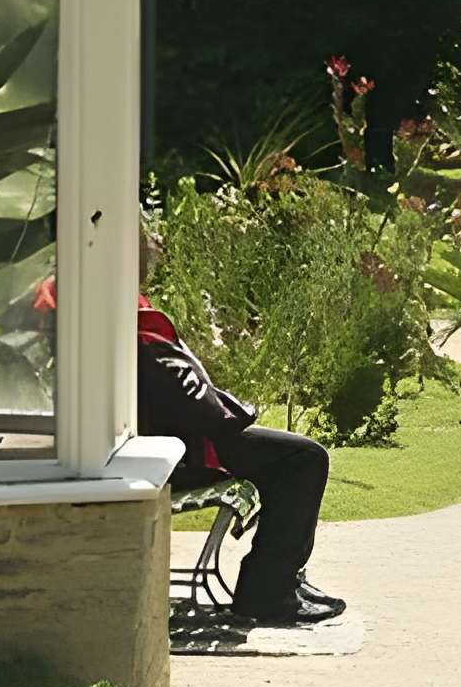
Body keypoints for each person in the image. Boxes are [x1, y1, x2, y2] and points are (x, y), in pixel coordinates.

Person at [127, 237, 345, 629]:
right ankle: (269, 592)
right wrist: (234, 414)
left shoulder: (109, 311)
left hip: (165, 442)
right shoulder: (132, 319)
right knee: (305, 459)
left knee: (292, 456)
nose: (156, 249)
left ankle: (281, 580)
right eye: (146, 250)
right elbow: (187, 397)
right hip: (181, 451)